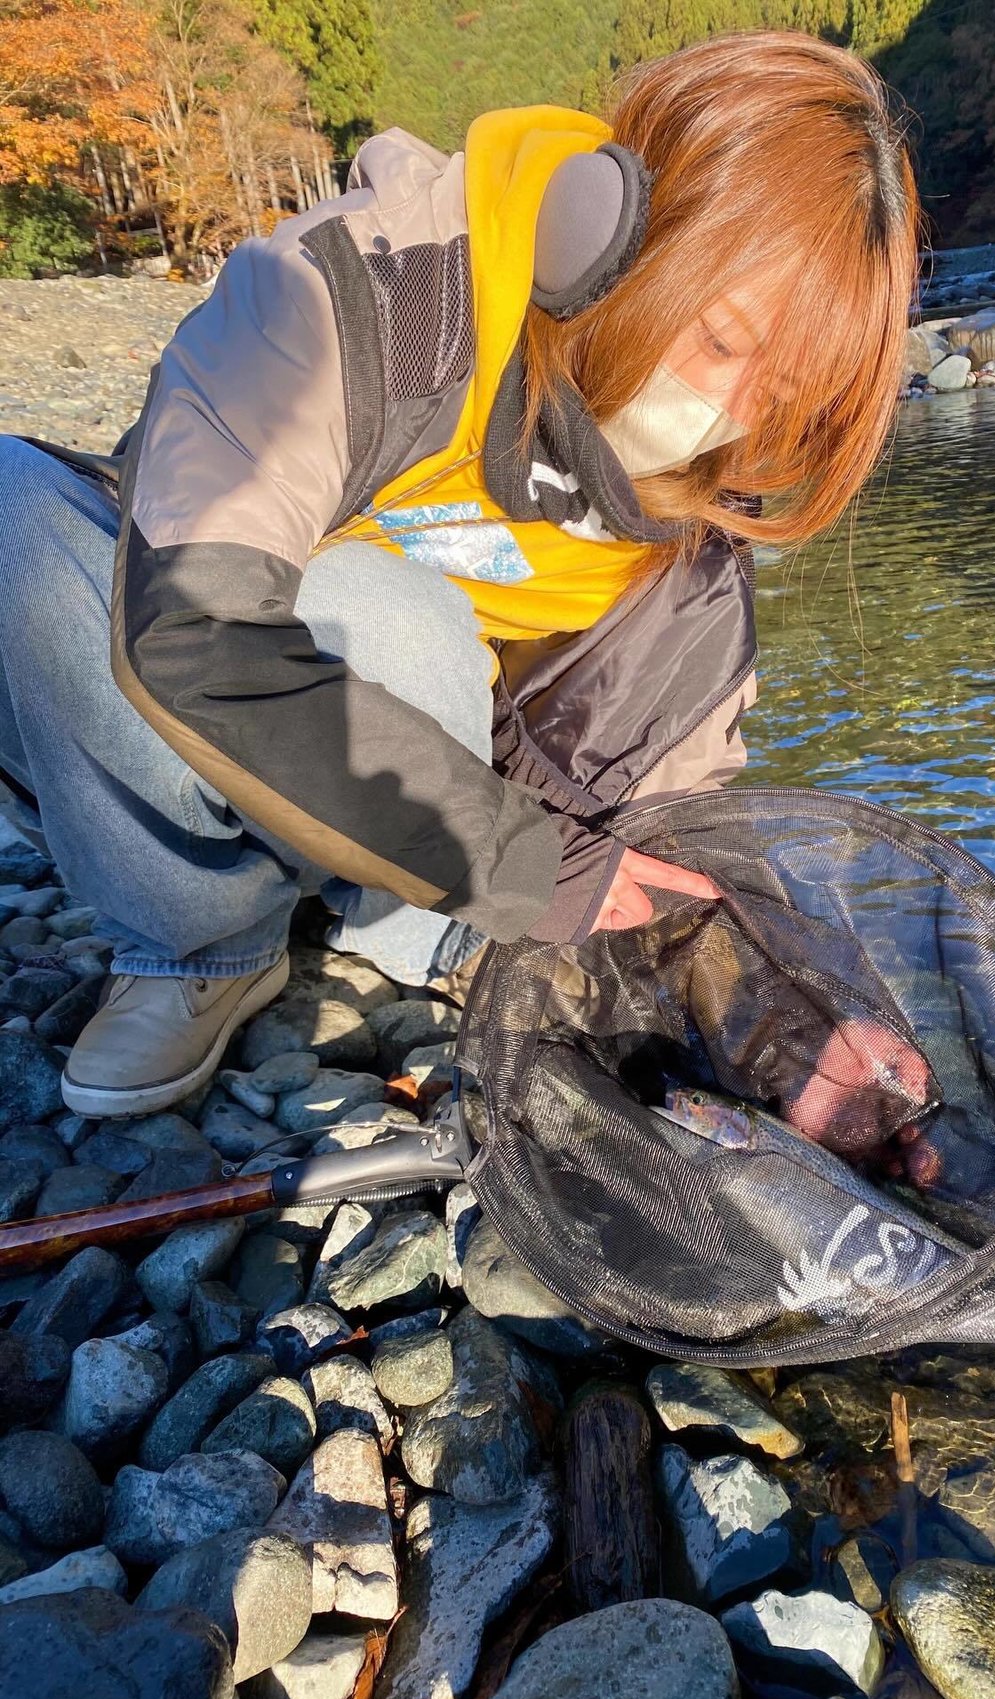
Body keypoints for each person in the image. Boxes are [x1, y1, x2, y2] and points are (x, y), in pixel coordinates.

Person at [0, 31, 918, 1120]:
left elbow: (677, 840)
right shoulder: (361, 290)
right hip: (232, 749)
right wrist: (528, 866)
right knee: (27, 506)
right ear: (610, 232)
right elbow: (195, 627)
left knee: (393, 623)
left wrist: (791, 1032)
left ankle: (416, 940)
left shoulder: (697, 534)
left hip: (446, 855)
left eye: (785, 390)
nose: (730, 412)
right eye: (721, 342)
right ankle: (201, 942)